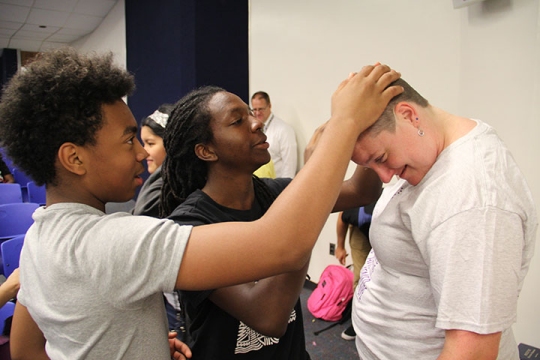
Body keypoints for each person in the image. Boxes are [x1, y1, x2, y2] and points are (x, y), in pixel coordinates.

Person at [0, 47, 403, 359]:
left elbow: (26, 351)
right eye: (128, 139)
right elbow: (283, 252)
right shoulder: (120, 240)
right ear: (74, 158)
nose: (142, 154)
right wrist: (344, 126)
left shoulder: (39, 237)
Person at [159, 86, 381, 359]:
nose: (257, 122)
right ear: (206, 151)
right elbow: (267, 315)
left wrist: (364, 125)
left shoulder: (272, 194)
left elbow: (362, 191)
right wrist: (313, 177)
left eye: (252, 113)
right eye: (238, 121)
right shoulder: (189, 226)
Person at [349, 78, 537, 359]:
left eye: (382, 157)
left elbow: (471, 350)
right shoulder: (428, 155)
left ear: (409, 115)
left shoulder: (472, 197)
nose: (385, 177)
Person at [130, 103, 187, 341]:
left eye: (151, 143)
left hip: (180, 303)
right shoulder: (167, 182)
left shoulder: (167, 185)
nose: (143, 153)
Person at [335, 204, 374, 341]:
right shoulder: (353, 211)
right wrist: (340, 247)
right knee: (361, 279)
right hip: (360, 230)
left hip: (384, 225)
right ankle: (358, 322)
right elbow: (342, 217)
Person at [131, 103, 173, 218]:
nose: (144, 152)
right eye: (143, 144)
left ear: (172, 144)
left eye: (150, 143)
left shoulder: (173, 188)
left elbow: (141, 216)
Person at [251, 91, 298, 178]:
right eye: (254, 109)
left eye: (261, 109)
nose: (257, 113)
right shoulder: (252, 129)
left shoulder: (284, 130)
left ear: (269, 106)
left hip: (276, 186)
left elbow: (289, 167)